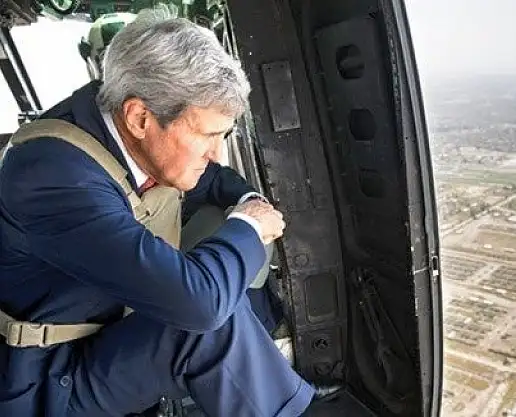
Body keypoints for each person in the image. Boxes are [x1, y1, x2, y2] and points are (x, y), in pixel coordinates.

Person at [0, 10, 315, 417]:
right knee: (210, 319)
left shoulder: (123, 129)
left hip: (101, 336)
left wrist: (250, 200)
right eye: (208, 135)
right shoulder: (55, 176)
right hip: (46, 381)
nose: (216, 152)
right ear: (140, 118)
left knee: (232, 296)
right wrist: (251, 226)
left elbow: (212, 180)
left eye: (224, 135)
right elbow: (199, 305)